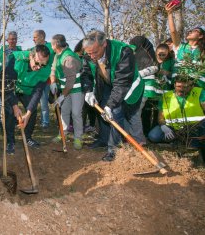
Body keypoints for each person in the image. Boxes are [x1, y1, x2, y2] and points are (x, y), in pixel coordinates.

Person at [81, 30, 144, 162]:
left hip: (128, 85)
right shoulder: (89, 53)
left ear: (104, 44)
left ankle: (113, 149)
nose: (91, 56)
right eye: (89, 53)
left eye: (95, 52)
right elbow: (85, 74)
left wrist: (111, 105)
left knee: (116, 113)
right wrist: (88, 91)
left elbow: (122, 82)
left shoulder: (123, 51)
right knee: (102, 110)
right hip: (106, 83)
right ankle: (103, 140)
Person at [1, 45, 51, 154]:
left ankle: (28, 137)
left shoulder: (45, 70)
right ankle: (10, 141)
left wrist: (27, 114)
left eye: (43, 65)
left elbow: (38, 93)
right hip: (12, 88)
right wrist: (15, 106)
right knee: (9, 111)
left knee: (32, 111)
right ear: (31, 56)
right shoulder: (16, 59)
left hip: (27, 90)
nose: (39, 67)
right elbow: (7, 85)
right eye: (37, 63)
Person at [148, 75, 205, 161]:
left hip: (194, 127)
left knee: (194, 145)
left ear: (192, 86)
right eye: (179, 86)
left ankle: (188, 141)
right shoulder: (166, 96)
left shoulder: (199, 93)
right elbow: (160, 117)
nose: (181, 89)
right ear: (174, 85)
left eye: (185, 87)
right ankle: (176, 139)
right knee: (153, 136)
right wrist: (164, 126)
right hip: (173, 127)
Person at [50, 34, 84, 150]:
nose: (51, 45)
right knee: (64, 111)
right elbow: (53, 70)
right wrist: (53, 82)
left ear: (55, 45)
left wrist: (61, 96)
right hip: (66, 89)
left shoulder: (69, 58)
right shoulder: (56, 55)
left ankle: (78, 137)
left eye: (52, 43)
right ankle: (63, 133)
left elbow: (70, 81)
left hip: (76, 90)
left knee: (75, 113)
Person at [165, 2, 205, 88]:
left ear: (201, 36)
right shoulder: (180, 46)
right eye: (190, 31)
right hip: (178, 86)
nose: (190, 32)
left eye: (195, 31)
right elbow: (173, 31)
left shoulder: (203, 51)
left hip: (198, 88)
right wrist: (169, 13)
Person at [128, 36, 158, 144]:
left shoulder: (148, 55)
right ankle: (133, 138)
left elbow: (155, 67)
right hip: (136, 88)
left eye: (134, 42)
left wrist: (138, 74)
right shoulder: (134, 56)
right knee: (133, 112)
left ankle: (139, 140)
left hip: (145, 87)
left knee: (135, 112)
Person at [0, 31, 22, 128]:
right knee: (2, 101)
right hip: (4, 78)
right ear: (7, 40)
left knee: (14, 100)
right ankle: (1, 120)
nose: (13, 41)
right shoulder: (3, 50)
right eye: (11, 39)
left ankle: (15, 119)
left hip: (16, 79)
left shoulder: (19, 50)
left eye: (14, 39)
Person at [31, 29, 55, 129]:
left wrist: (54, 78)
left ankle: (45, 122)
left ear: (41, 37)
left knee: (44, 100)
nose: (33, 39)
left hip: (48, 78)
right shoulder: (33, 49)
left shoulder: (51, 47)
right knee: (38, 100)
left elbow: (55, 61)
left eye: (35, 37)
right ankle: (36, 119)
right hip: (36, 78)